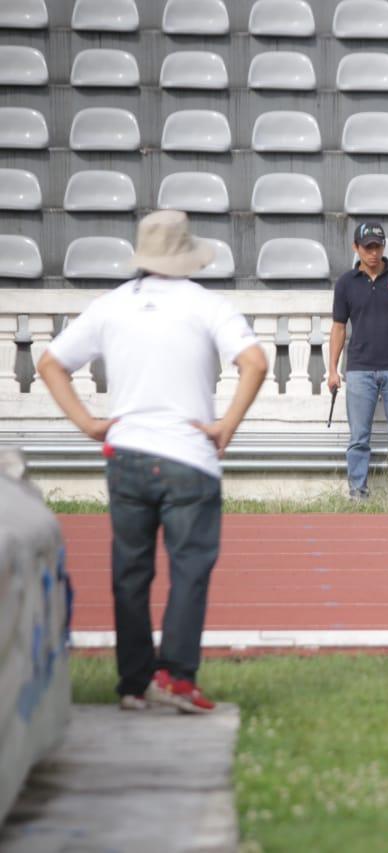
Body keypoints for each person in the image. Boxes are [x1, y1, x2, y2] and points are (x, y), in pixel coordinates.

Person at [37, 209, 267, 714]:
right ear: (187, 256)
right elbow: (254, 361)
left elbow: (50, 362)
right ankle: (177, 675)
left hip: (129, 451)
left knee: (130, 570)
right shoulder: (206, 305)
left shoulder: (110, 306)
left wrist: (89, 423)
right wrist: (225, 425)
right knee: (189, 568)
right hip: (188, 454)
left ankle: (133, 683)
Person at [326, 222, 388, 506]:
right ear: (356, 247)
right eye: (367, 247)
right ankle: (358, 495)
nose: (373, 252)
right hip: (359, 369)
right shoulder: (346, 283)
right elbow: (338, 327)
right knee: (358, 438)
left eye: (377, 246)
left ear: (384, 247)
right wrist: (332, 370)